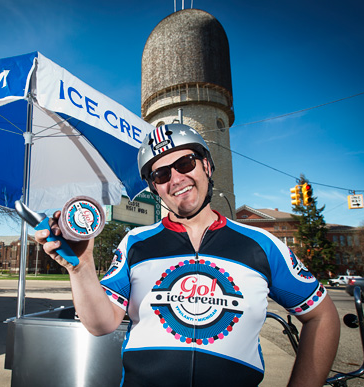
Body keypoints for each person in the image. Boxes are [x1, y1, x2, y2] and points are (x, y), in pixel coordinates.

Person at [36, 123, 340, 386]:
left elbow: (322, 315)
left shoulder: (261, 243)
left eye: (185, 163)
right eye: (161, 174)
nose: (176, 179)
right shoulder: (135, 243)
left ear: (206, 165)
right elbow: (100, 325)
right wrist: (82, 267)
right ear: (155, 188)